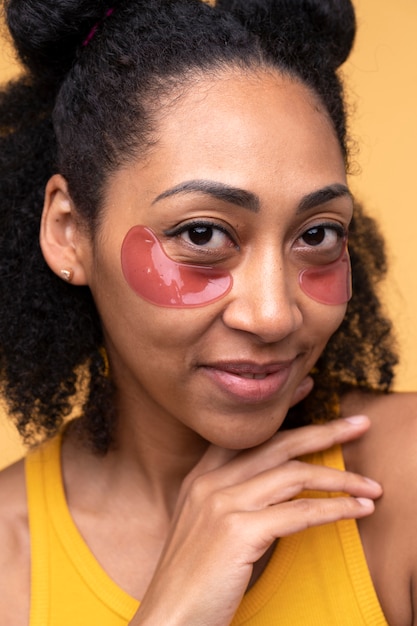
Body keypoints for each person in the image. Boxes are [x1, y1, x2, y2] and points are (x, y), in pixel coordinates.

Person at [0, 0, 416, 623]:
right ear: (68, 231)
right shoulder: (10, 557)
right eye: (201, 235)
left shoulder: (399, 482)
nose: (275, 315)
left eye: (317, 235)